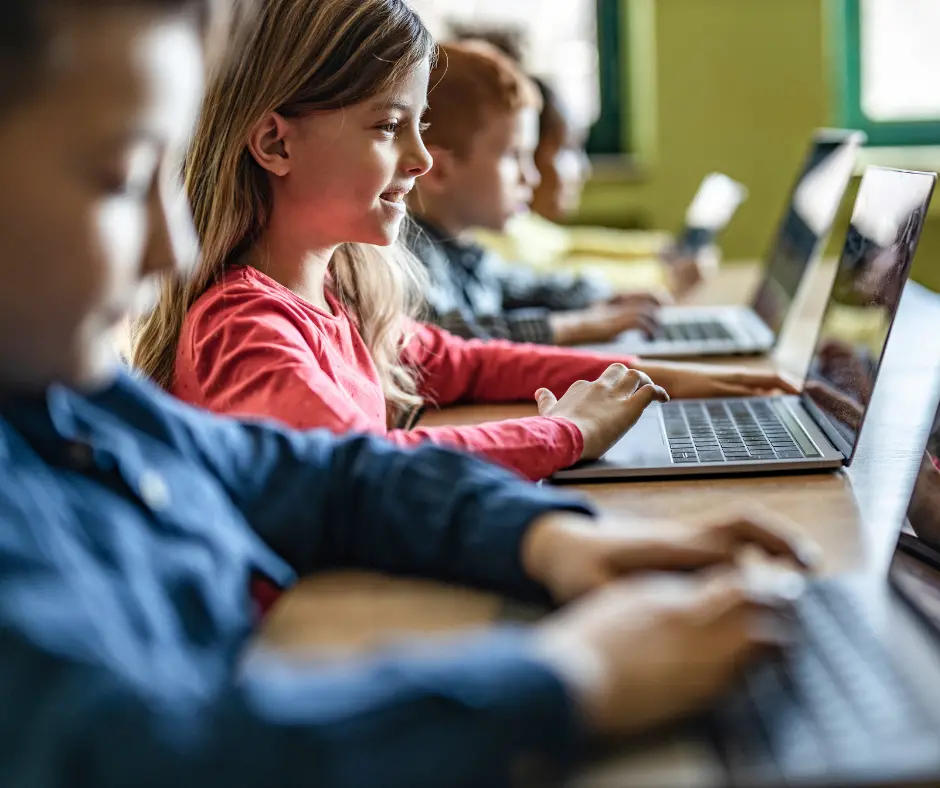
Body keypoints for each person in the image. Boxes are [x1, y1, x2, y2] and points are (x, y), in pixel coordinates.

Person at [0, 1, 818, 785]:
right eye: (119, 176)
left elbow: (334, 476)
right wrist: (571, 673)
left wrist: (551, 540)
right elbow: (155, 759)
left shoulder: (75, 404)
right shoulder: (230, 328)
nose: (170, 248)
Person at [132, 2, 794, 483]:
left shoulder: (340, 298)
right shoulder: (245, 329)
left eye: (418, 125)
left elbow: (470, 364)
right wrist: (568, 430)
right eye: (389, 127)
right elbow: (361, 473)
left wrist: (665, 382)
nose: (422, 160)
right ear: (276, 142)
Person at [407, 40, 663, 346]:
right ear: (438, 171)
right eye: (514, 156)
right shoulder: (408, 260)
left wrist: (603, 296)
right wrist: (576, 326)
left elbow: (528, 287)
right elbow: (447, 339)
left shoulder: (465, 251)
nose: (532, 176)